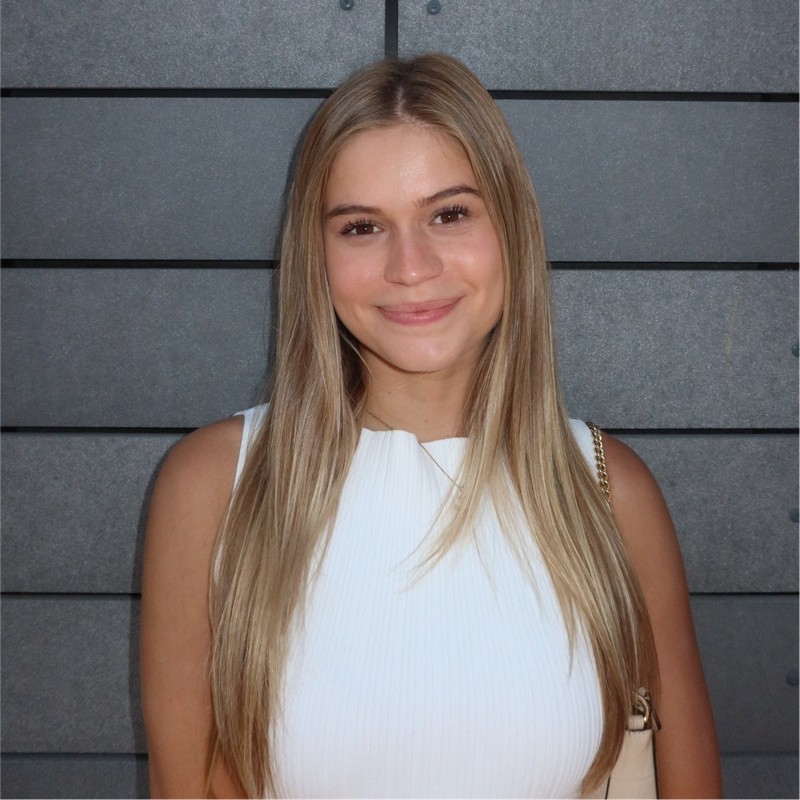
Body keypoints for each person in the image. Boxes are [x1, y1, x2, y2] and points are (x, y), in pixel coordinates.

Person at [140, 54, 722, 799]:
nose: (410, 266)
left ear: (511, 227)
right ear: (315, 258)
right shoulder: (216, 485)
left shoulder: (609, 490)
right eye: (361, 227)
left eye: (449, 213)